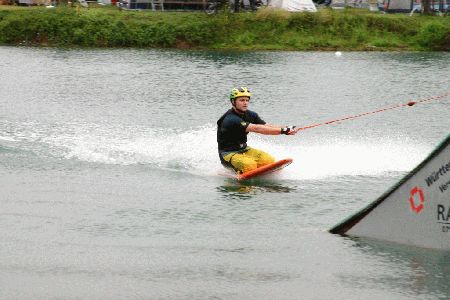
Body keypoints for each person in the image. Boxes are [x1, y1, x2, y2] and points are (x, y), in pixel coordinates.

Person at [217, 87, 300, 174]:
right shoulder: (230, 119)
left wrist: (287, 128)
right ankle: (238, 174)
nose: (245, 103)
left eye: (247, 100)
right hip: (228, 154)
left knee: (268, 160)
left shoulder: (251, 114)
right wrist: (283, 131)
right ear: (233, 102)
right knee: (249, 165)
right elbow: (256, 128)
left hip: (244, 149)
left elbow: (265, 126)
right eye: (241, 100)